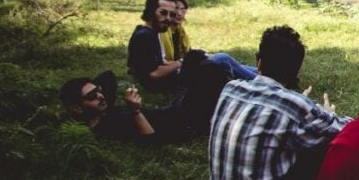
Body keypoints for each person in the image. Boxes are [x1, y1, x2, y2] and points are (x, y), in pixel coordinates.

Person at [206, 25, 352, 180]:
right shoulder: (293, 103)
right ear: (297, 70)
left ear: (259, 61)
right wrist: (328, 114)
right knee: (328, 142)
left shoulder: (231, 87)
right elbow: (348, 129)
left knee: (302, 134)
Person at [59, 65, 230, 143]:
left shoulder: (103, 110)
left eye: (99, 91)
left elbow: (108, 76)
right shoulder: (106, 127)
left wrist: (91, 92)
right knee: (212, 70)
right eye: (92, 96)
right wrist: (135, 111)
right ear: (77, 107)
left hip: (170, 109)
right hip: (183, 120)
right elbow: (151, 140)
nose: (101, 96)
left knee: (193, 60)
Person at [128, 0, 256, 93]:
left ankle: (263, 75)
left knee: (222, 61)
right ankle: (264, 80)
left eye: (171, 14)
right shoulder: (145, 36)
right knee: (222, 59)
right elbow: (154, 74)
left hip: (174, 76)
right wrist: (184, 62)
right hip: (172, 83)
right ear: (151, 12)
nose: (167, 18)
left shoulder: (149, 32)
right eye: (163, 13)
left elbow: (158, 64)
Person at [161, 0, 257, 80]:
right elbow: (164, 64)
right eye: (176, 9)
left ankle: (265, 75)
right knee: (222, 58)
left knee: (232, 64)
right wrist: (185, 61)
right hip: (177, 72)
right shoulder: (162, 33)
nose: (179, 13)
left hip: (186, 66)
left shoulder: (180, 32)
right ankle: (261, 81)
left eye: (182, 9)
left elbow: (188, 54)